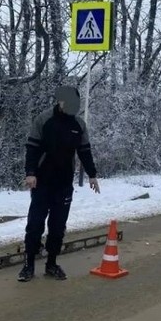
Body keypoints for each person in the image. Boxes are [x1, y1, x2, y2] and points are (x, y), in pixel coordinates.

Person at [18, 85, 100, 282]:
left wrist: (92, 175)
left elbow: (84, 150)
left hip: (63, 183)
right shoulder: (44, 120)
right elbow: (32, 148)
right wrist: (30, 173)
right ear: (59, 101)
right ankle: (28, 265)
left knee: (57, 226)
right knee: (35, 224)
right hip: (42, 181)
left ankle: (52, 264)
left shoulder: (79, 124)